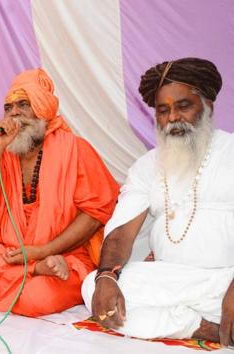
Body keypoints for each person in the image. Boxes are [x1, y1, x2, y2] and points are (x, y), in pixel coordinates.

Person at [83, 57, 234, 346]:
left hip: (227, 280)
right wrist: (107, 276)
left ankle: (179, 319)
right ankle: (199, 326)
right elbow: (120, 235)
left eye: (183, 106)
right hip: (174, 281)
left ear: (208, 106)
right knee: (93, 288)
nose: (172, 118)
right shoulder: (146, 167)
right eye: (163, 111)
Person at [0, 68, 119, 317]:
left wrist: (42, 252)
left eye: (23, 104)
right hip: (9, 253)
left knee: (35, 299)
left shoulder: (75, 150)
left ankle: (37, 273)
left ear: (42, 109)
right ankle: (34, 272)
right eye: (8, 107)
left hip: (64, 254)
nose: (14, 112)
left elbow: (95, 215)